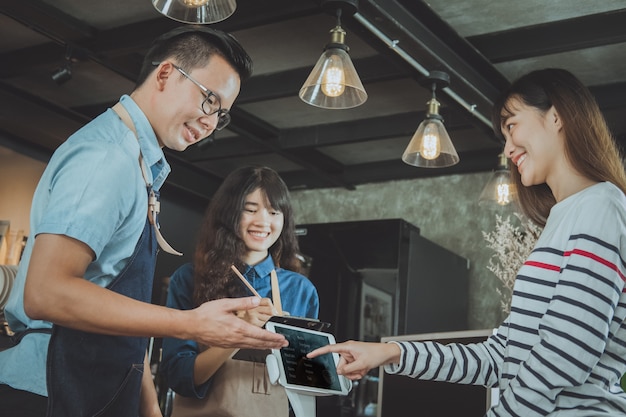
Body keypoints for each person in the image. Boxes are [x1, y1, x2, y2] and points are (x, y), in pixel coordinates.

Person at [0, 26, 288, 417]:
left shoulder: (138, 164)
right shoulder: (108, 157)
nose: (209, 122)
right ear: (166, 74)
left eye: (220, 115)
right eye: (209, 100)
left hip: (97, 388)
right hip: (51, 389)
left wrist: (150, 409)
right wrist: (189, 325)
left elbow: (120, 313)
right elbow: (46, 292)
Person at [308, 68, 626, 416]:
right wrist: (391, 353)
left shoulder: (600, 206)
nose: (507, 148)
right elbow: (500, 357)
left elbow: (566, 354)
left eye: (511, 125)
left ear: (556, 116)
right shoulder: (564, 218)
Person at [160, 165, 319, 417]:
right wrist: (238, 332)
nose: (263, 221)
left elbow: (306, 385)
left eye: (274, 211)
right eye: (250, 209)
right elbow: (178, 377)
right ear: (229, 213)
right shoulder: (189, 279)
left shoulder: (300, 290)